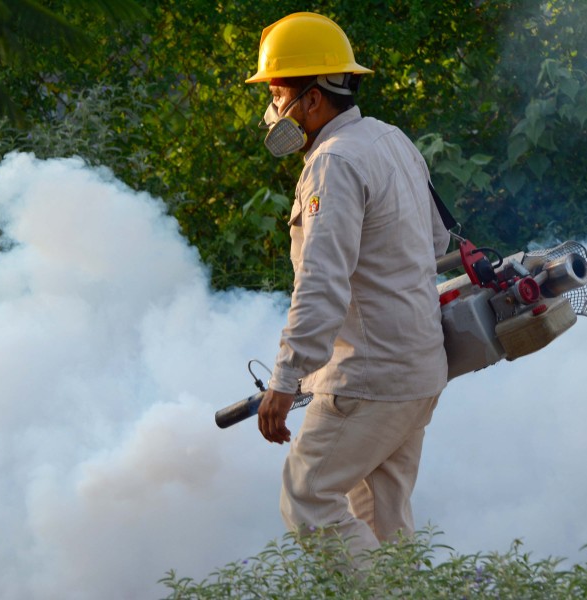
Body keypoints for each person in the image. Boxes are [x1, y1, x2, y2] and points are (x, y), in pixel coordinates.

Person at [246, 12, 451, 564]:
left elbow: (321, 284)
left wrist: (285, 380)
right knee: (381, 522)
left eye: (278, 91)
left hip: (370, 377)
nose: (272, 108)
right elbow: (436, 244)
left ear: (314, 99)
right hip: (419, 371)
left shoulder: (333, 163)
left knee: (308, 498)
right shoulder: (390, 139)